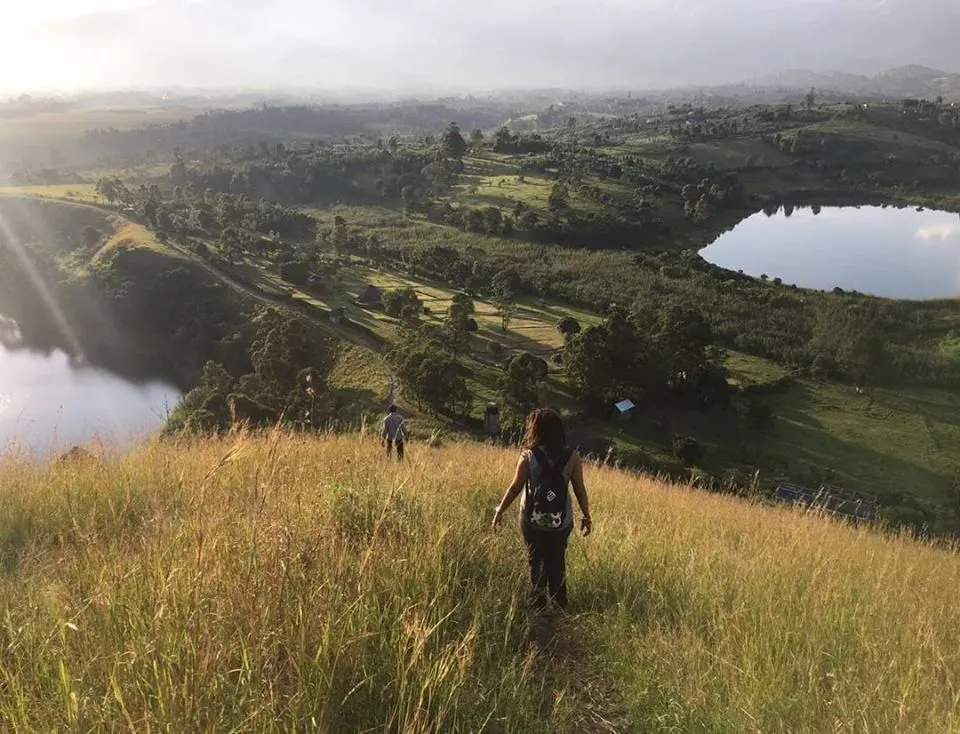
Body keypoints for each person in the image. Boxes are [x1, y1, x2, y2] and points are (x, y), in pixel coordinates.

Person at [492, 408, 592, 609]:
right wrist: (586, 516)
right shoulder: (572, 457)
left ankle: (537, 602)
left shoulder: (528, 456)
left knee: (535, 558)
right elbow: (580, 491)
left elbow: (515, 488)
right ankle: (559, 602)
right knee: (556, 559)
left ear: (536, 430)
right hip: (561, 521)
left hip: (531, 520)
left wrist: (499, 511)